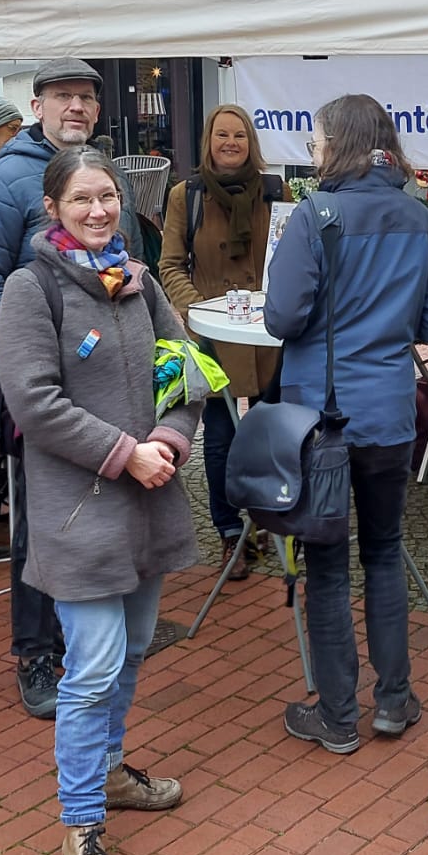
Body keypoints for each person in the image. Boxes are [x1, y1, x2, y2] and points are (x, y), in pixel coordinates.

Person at [0, 147, 197, 855]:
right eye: (81, 198)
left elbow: (186, 370)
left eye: (107, 195)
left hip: (148, 501)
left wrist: (168, 440)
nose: (98, 210)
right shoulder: (32, 288)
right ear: (53, 207)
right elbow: (34, 402)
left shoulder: (139, 282)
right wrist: (124, 453)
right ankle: (79, 824)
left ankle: (109, 771)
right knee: (95, 667)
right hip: (80, 512)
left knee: (134, 650)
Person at [265, 94, 428, 755]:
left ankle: (338, 715)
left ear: (339, 144)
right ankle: (394, 699)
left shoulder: (315, 215)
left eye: (317, 141)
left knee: (327, 563)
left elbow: (282, 318)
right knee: (383, 550)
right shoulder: (420, 218)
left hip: (322, 418)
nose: (313, 152)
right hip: (390, 412)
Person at [0, 59, 122, 719]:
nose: (75, 106)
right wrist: (25, 363)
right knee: (40, 522)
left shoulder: (100, 173)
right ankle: (34, 652)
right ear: (37, 106)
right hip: (42, 392)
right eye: (63, 97)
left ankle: (82, 641)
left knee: (95, 514)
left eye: (86, 97)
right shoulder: (4, 179)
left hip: (102, 386)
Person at [158, 105, 284, 579]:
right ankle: (230, 529)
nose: (230, 143)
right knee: (221, 439)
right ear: (208, 142)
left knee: (271, 435)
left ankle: (268, 518)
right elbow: (170, 264)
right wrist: (200, 311)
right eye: (222, 135)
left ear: (251, 142)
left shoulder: (274, 191)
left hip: (268, 335)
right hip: (214, 336)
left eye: (239, 135)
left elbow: (288, 255)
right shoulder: (185, 196)